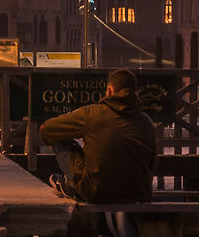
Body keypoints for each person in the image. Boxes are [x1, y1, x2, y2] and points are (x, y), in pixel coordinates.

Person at [37, 68, 159, 203]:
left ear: (109, 91)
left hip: (95, 192)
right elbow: (152, 163)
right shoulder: (147, 122)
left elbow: (46, 130)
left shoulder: (92, 114)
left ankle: (72, 185)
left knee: (58, 136)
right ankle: (71, 184)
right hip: (138, 194)